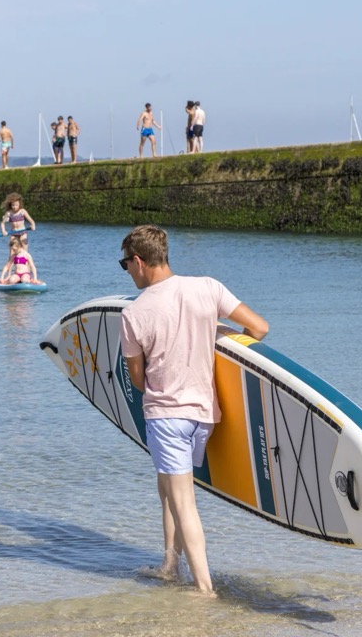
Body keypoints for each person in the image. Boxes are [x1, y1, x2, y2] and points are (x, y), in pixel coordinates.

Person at [118, 225, 269, 593]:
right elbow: (259, 328)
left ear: (139, 261)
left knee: (184, 501)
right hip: (204, 415)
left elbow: (138, 380)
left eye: (125, 264)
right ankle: (170, 563)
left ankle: (204, 589)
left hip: (167, 415)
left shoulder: (135, 313)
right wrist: (210, 332)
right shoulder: (208, 288)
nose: (126, 271)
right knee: (168, 486)